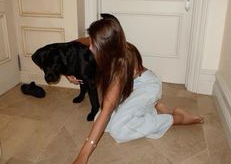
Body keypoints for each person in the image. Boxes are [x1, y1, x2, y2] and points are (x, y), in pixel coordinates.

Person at [68, 14, 204, 164]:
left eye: (93, 44)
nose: (90, 47)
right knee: (100, 122)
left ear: (105, 46)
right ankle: (151, 108)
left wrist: (83, 155)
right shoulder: (111, 43)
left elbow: (107, 109)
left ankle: (176, 118)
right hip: (128, 86)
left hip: (146, 86)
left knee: (119, 130)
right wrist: (68, 71)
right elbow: (75, 44)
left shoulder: (121, 64)